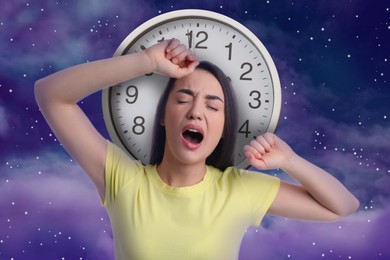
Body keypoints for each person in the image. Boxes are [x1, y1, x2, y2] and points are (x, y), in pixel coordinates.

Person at [35, 39, 359, 259]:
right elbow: (50, 94)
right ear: (163, 116)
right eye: (183, 99)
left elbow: (342, 206)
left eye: (213, 106)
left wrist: (291, 161)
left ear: (221, 130)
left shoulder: (238, 190)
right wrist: (146, 61)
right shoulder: (123, 180)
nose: (196, 112)